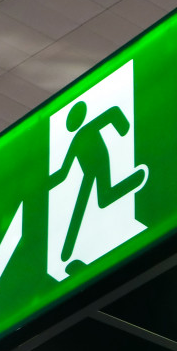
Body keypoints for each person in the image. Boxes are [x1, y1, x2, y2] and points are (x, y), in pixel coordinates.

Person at [51, 100, 146, 262]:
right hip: (89, 170)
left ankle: (66, 250)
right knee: (99, 199)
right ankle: (66, 251)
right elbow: (64, 170)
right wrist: (49, 182)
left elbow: (112, 113)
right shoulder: (77, 139)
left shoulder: (86, 130)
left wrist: (123, 127)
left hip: (101, 161)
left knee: (93, 200)